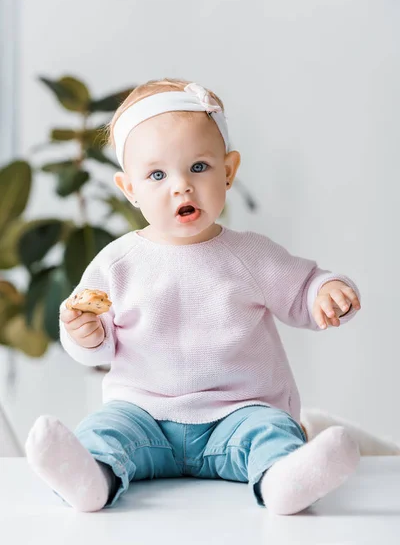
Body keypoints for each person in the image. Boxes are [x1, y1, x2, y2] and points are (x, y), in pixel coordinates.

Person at [25, 78, 362, 515]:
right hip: (144, 417)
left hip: (239, 415)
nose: (181, 186)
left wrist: (327, 292)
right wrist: (85, 334)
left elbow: (302, 289)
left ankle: (282, 480)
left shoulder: (249, 254)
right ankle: (93, 478)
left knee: (272, 430)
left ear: (228, 170)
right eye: (158, 175)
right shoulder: (117, 263)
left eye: (199, 167)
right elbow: (94, 346)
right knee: (105, 429)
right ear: (129, 189)